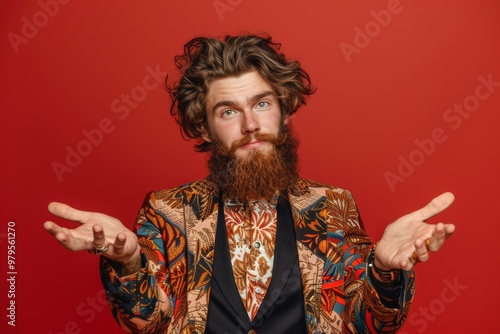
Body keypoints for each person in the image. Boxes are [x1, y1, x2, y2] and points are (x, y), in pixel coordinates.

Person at [44, 34, 456, 334]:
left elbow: (371, 325)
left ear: (284, 110)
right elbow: (148, 324)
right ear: (204, 128)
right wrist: (128, 263)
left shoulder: (332, 206)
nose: (251, 125)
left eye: (261, 103)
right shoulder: (167, 211)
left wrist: (383, 270)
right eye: (228, 111)